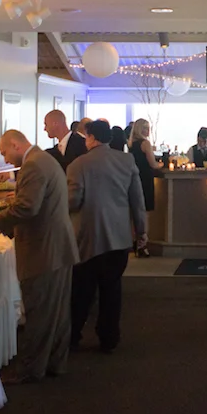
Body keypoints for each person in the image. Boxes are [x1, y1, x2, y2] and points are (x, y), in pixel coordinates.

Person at [0, 129, 79, 383]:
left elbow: (27, 207)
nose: (5, 159)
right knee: (57, 313)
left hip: (44, 249)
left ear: (15, 145)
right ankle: (54, 363)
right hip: (57, 247)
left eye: (4, 152)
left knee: (39, 312)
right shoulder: (43, 159)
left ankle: (30, 369)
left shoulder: (33, 165)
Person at [67, 120, 148, 353]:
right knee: (112, 290)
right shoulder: (126, 161)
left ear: (91, 138)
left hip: (87, 237)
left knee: (82, 291)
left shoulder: (77, 165)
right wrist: (141, 231)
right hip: (119, 237)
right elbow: (137, 201)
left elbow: (73, 201)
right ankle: (109, 337)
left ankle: (73, 335)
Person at [129, 119, 164, 257]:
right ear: (140, 129)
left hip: (134, 179)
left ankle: (135, 241)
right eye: (145, 128)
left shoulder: (131, 144)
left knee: (135, 212)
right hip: (145, 180)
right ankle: (143, 245)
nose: (148, 130)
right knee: (144, 213)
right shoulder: (145, 143)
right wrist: (161, 164)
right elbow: (153, 164)